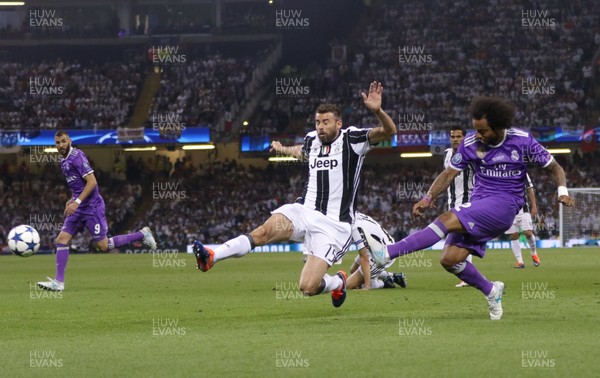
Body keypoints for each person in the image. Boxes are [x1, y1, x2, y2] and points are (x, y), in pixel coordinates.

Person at [363, 96, 574, 320]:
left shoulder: (522, 141)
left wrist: (562, 191)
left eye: (483, 131)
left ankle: (387, 253)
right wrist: (428, 197)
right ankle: (491, 290)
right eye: (475, 130)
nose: (478, 135)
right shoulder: (471, 143)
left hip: (505, 204)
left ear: (499, 126)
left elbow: (554, 167)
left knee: (445, 219)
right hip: (479, 201)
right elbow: (448, 174)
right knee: (450, 259)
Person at [193, 81, 397, 308]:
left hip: (333, 225)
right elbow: (302, 152)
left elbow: (389, 132)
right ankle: (212, 255)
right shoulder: (312, 140)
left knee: (308, 287)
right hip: (303, 211)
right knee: (263, 232)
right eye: (318, 122)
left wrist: (378, 111)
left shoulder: (353, 139)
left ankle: (337, 282)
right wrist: (282, 149)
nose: (320, 127)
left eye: (326, 122)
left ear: (339, 123)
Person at [37, 131, 157, 292]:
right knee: (62, 239)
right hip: (78, 207)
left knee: (104, 246)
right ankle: (59, 282)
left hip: (92, 207)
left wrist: (77, 202)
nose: (60, 145)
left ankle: (142, 234)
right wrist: (73, 198)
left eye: (63, 141)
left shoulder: (77, 157)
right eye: (57, 143)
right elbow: (77, 184)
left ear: (69, 140)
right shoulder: (62, 160)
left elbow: (92, 182)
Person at [444, 126, 475, 287]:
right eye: (453, 136)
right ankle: (467, 275)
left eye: (458, 136)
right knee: (460, 239)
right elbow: (446, 178)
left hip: (467, 202)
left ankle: (466, 276)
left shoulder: (470, 154)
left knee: (460, 239)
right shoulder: (447, 154)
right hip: (452, 202)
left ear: (464, 138)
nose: (455, 139)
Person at [345, 212, 407, 290]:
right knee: (353, 270)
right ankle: (394, 276)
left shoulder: (355, 227)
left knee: (348, 285)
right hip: (378, 246)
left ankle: (384, 283)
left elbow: (364, 258)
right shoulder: (356, 215)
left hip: (382, 253)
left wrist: (367, 287)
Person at [505, 173, 540, 268]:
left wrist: (534, 206)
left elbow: (530, 189)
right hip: (509, 209)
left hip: (523, 208)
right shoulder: (501, 173)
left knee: (528, 233)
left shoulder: (522, 172)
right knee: (513, 235)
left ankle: (533, 252)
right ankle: (520, 262)